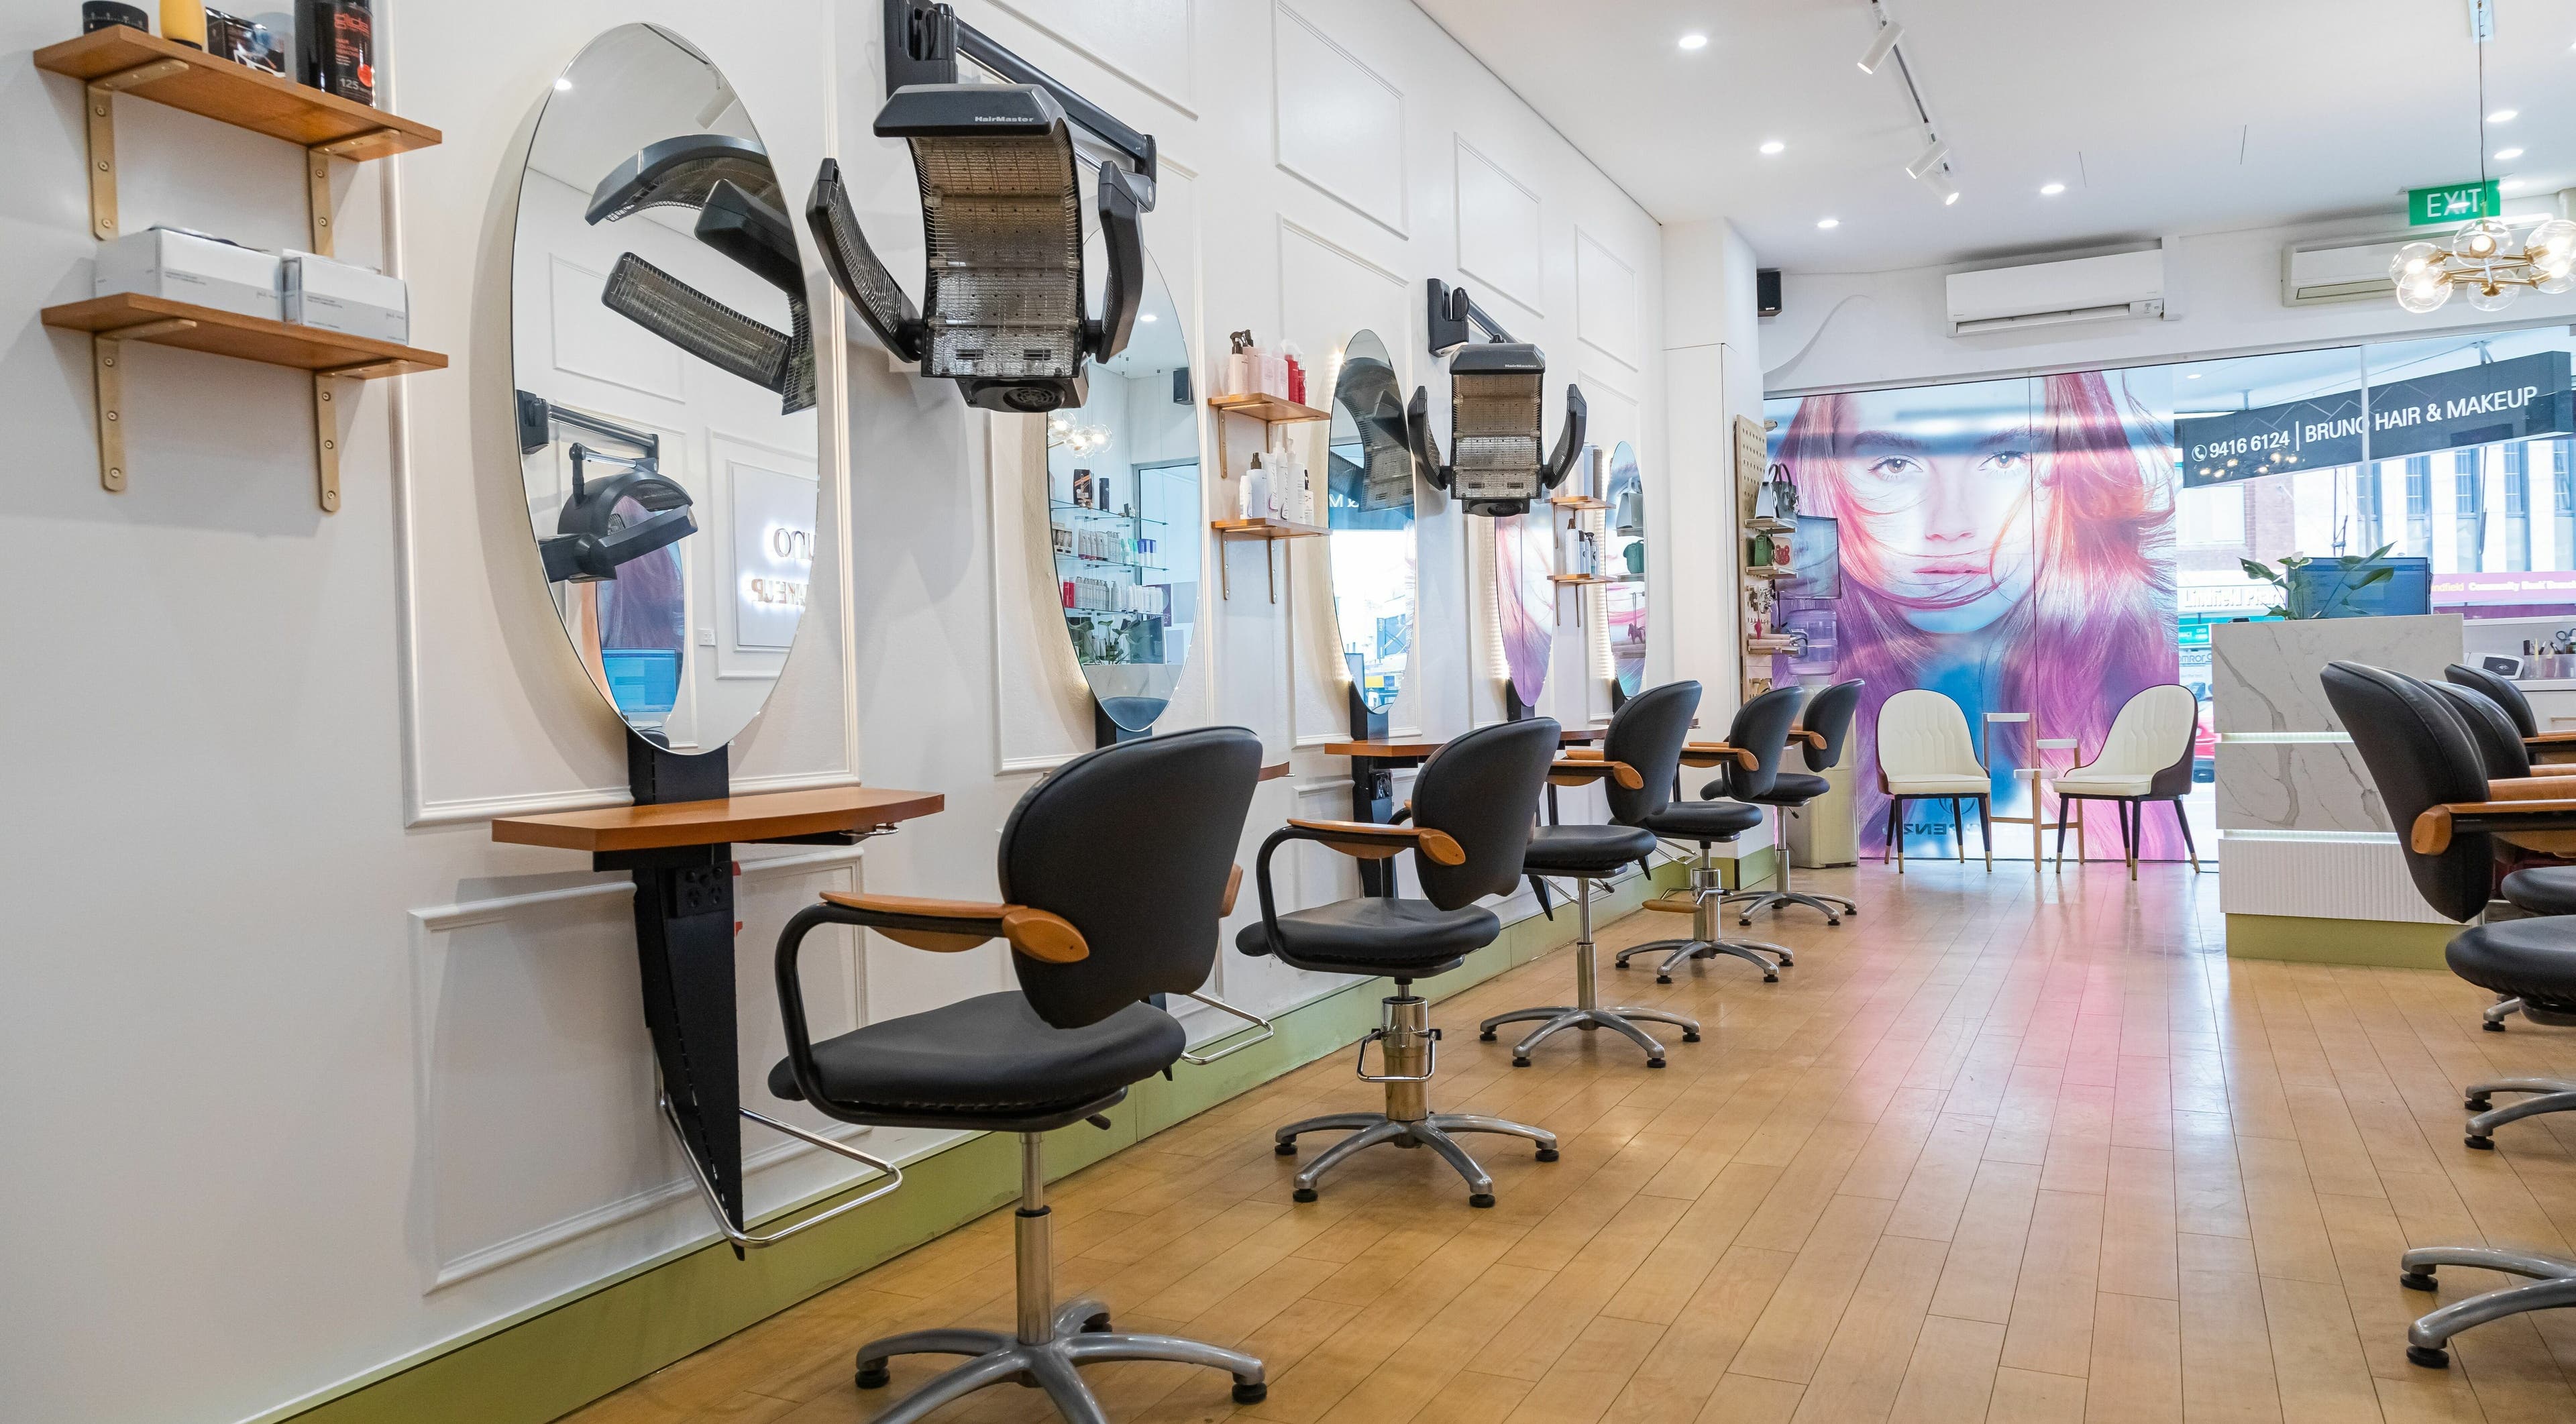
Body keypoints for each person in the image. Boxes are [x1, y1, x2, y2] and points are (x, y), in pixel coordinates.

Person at [1770, 370, 2179, 858]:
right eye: (1895, 463)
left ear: (2076, 485)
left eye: (2005, 458)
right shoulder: (1801, 680)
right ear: (1827, 482)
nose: (1951, 525)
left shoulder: (2127, 673)